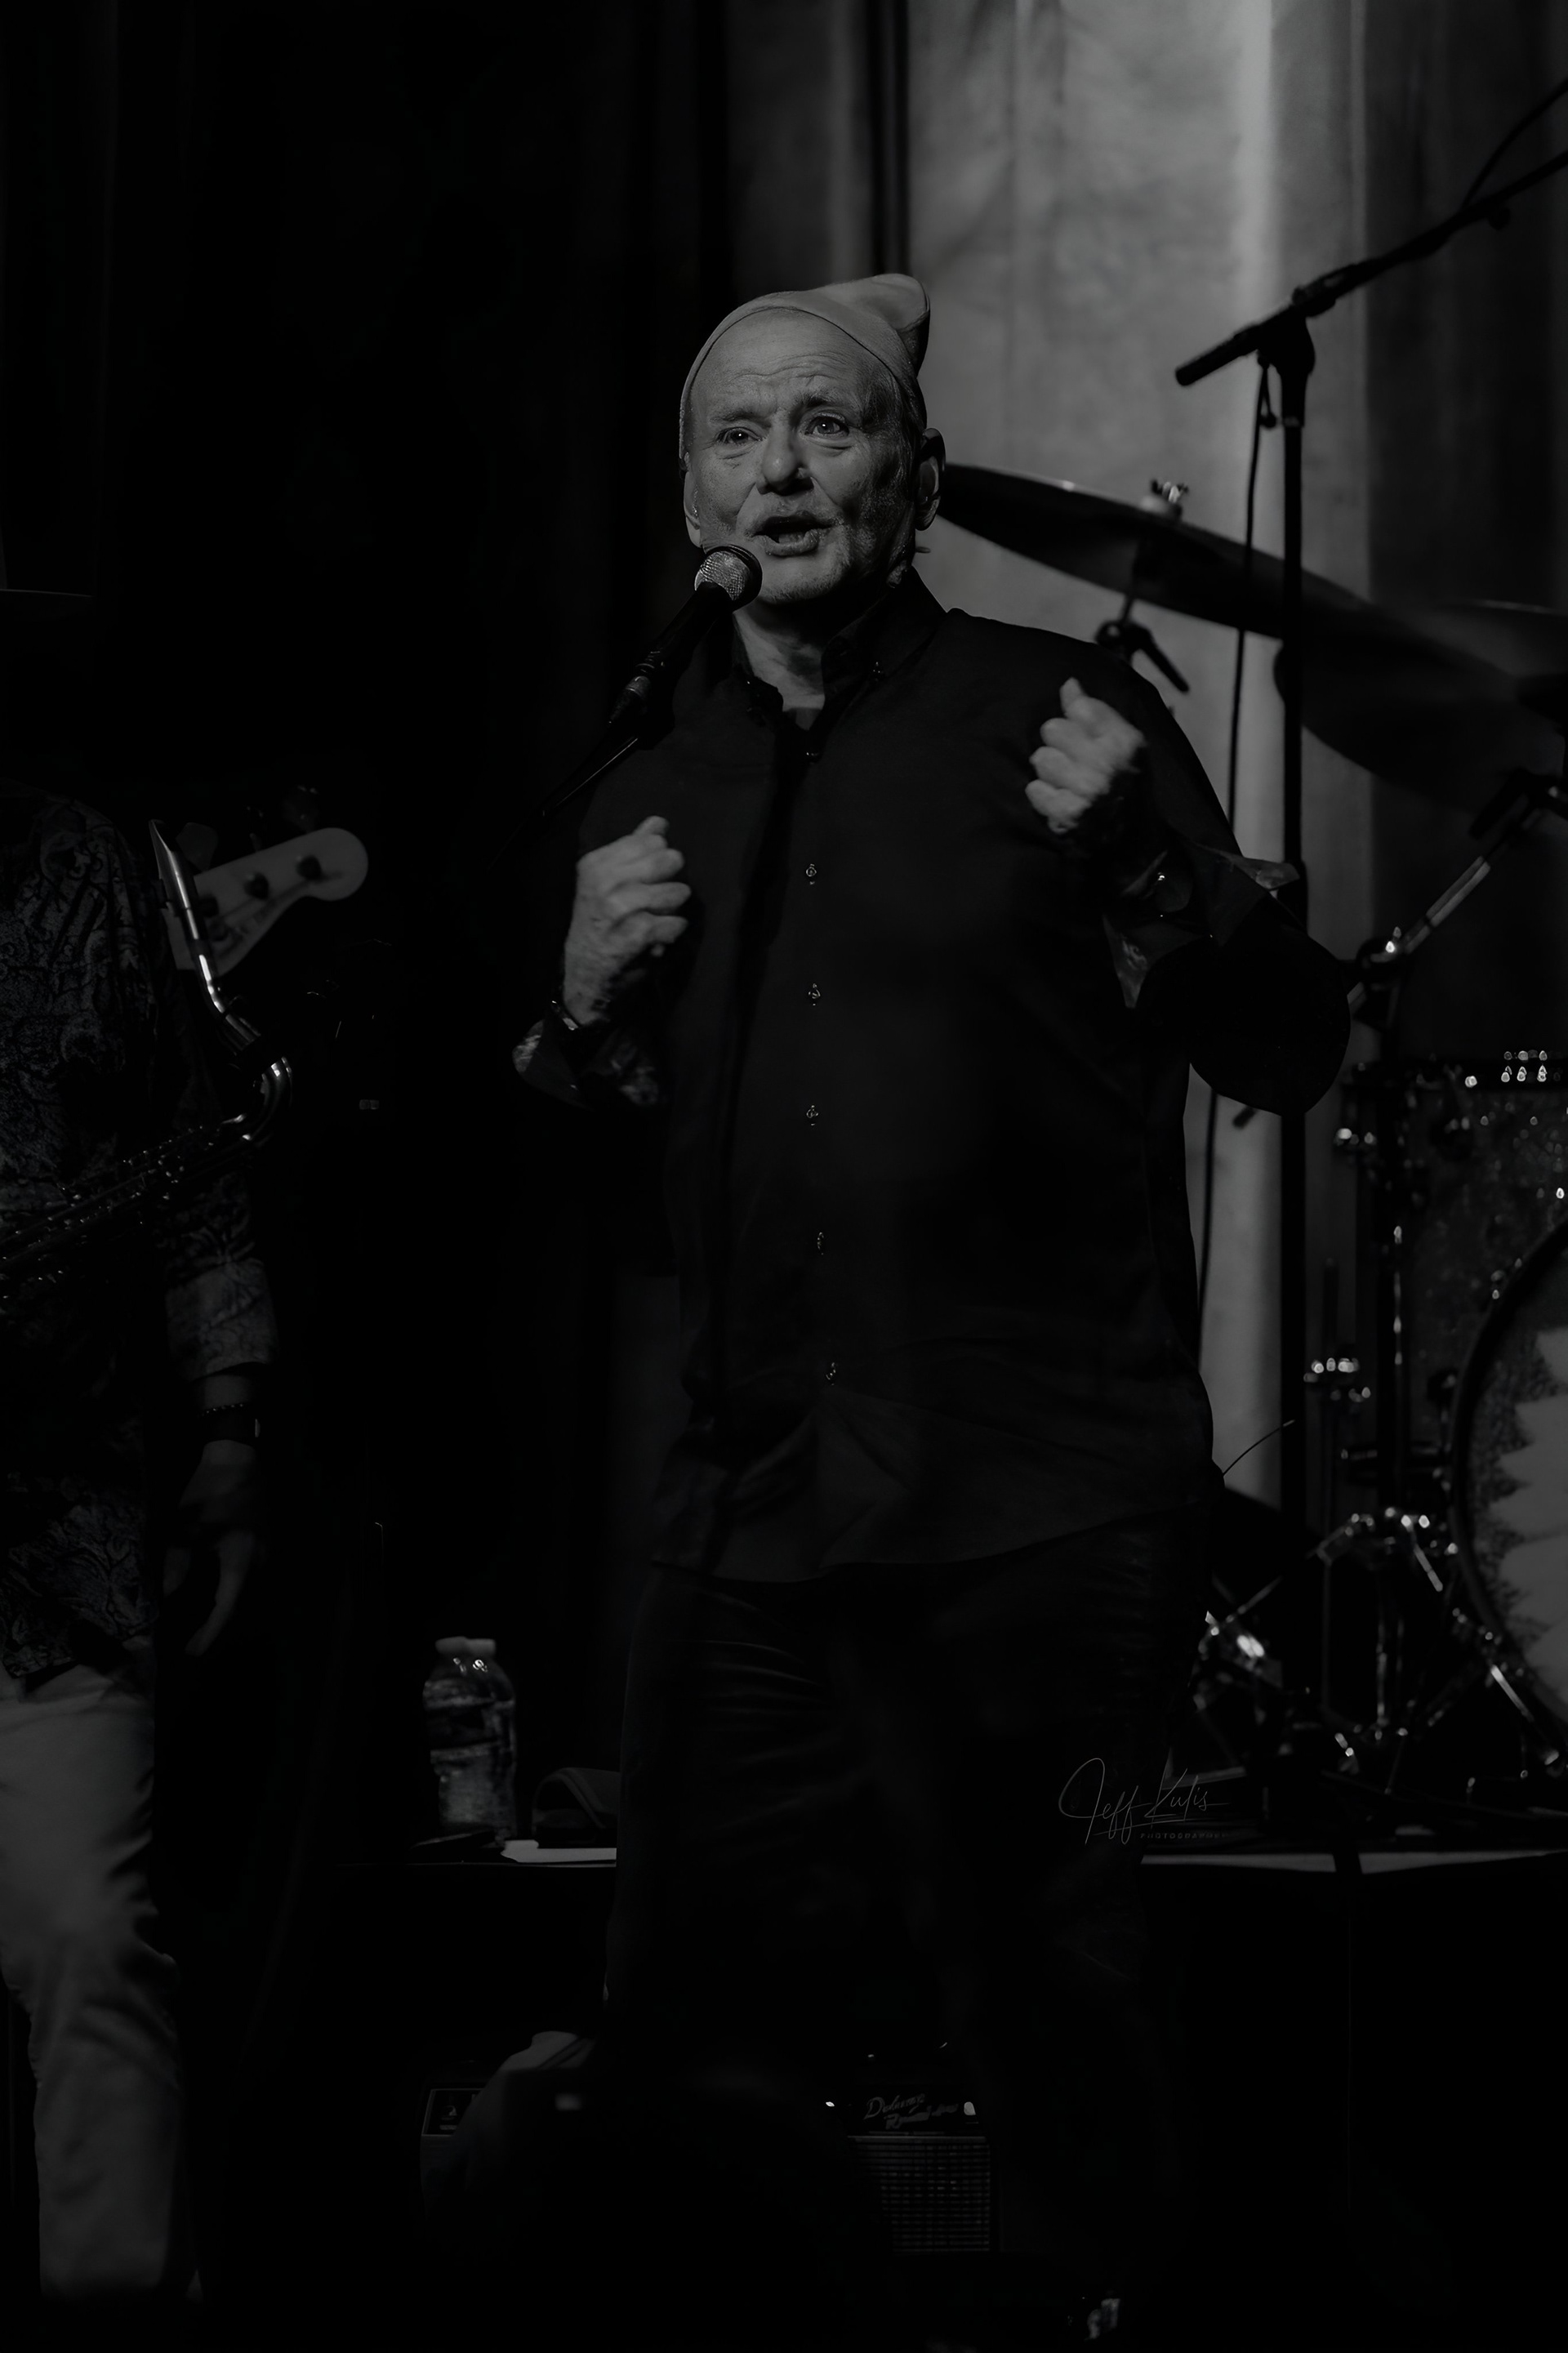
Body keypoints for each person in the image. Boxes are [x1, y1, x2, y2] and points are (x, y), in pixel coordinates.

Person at [515, 274, 1348, 2343]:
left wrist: (1148, 860)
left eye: (828, 427)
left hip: (1034, 1508)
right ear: (691, 494)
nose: (781, 473)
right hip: (756, 1515)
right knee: (679, 2039)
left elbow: (1292, 1048)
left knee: (1052, 2016)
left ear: (921, 475)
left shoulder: (1053, 717)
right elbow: (596, 1210)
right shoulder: (644, 782)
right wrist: (579, 1016)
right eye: (738, 436)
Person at [0, 783, 275, 2341]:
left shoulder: (95, 868)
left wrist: (232, 1435)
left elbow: (195, 1169)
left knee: (92, 1936)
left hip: (62, 1541)